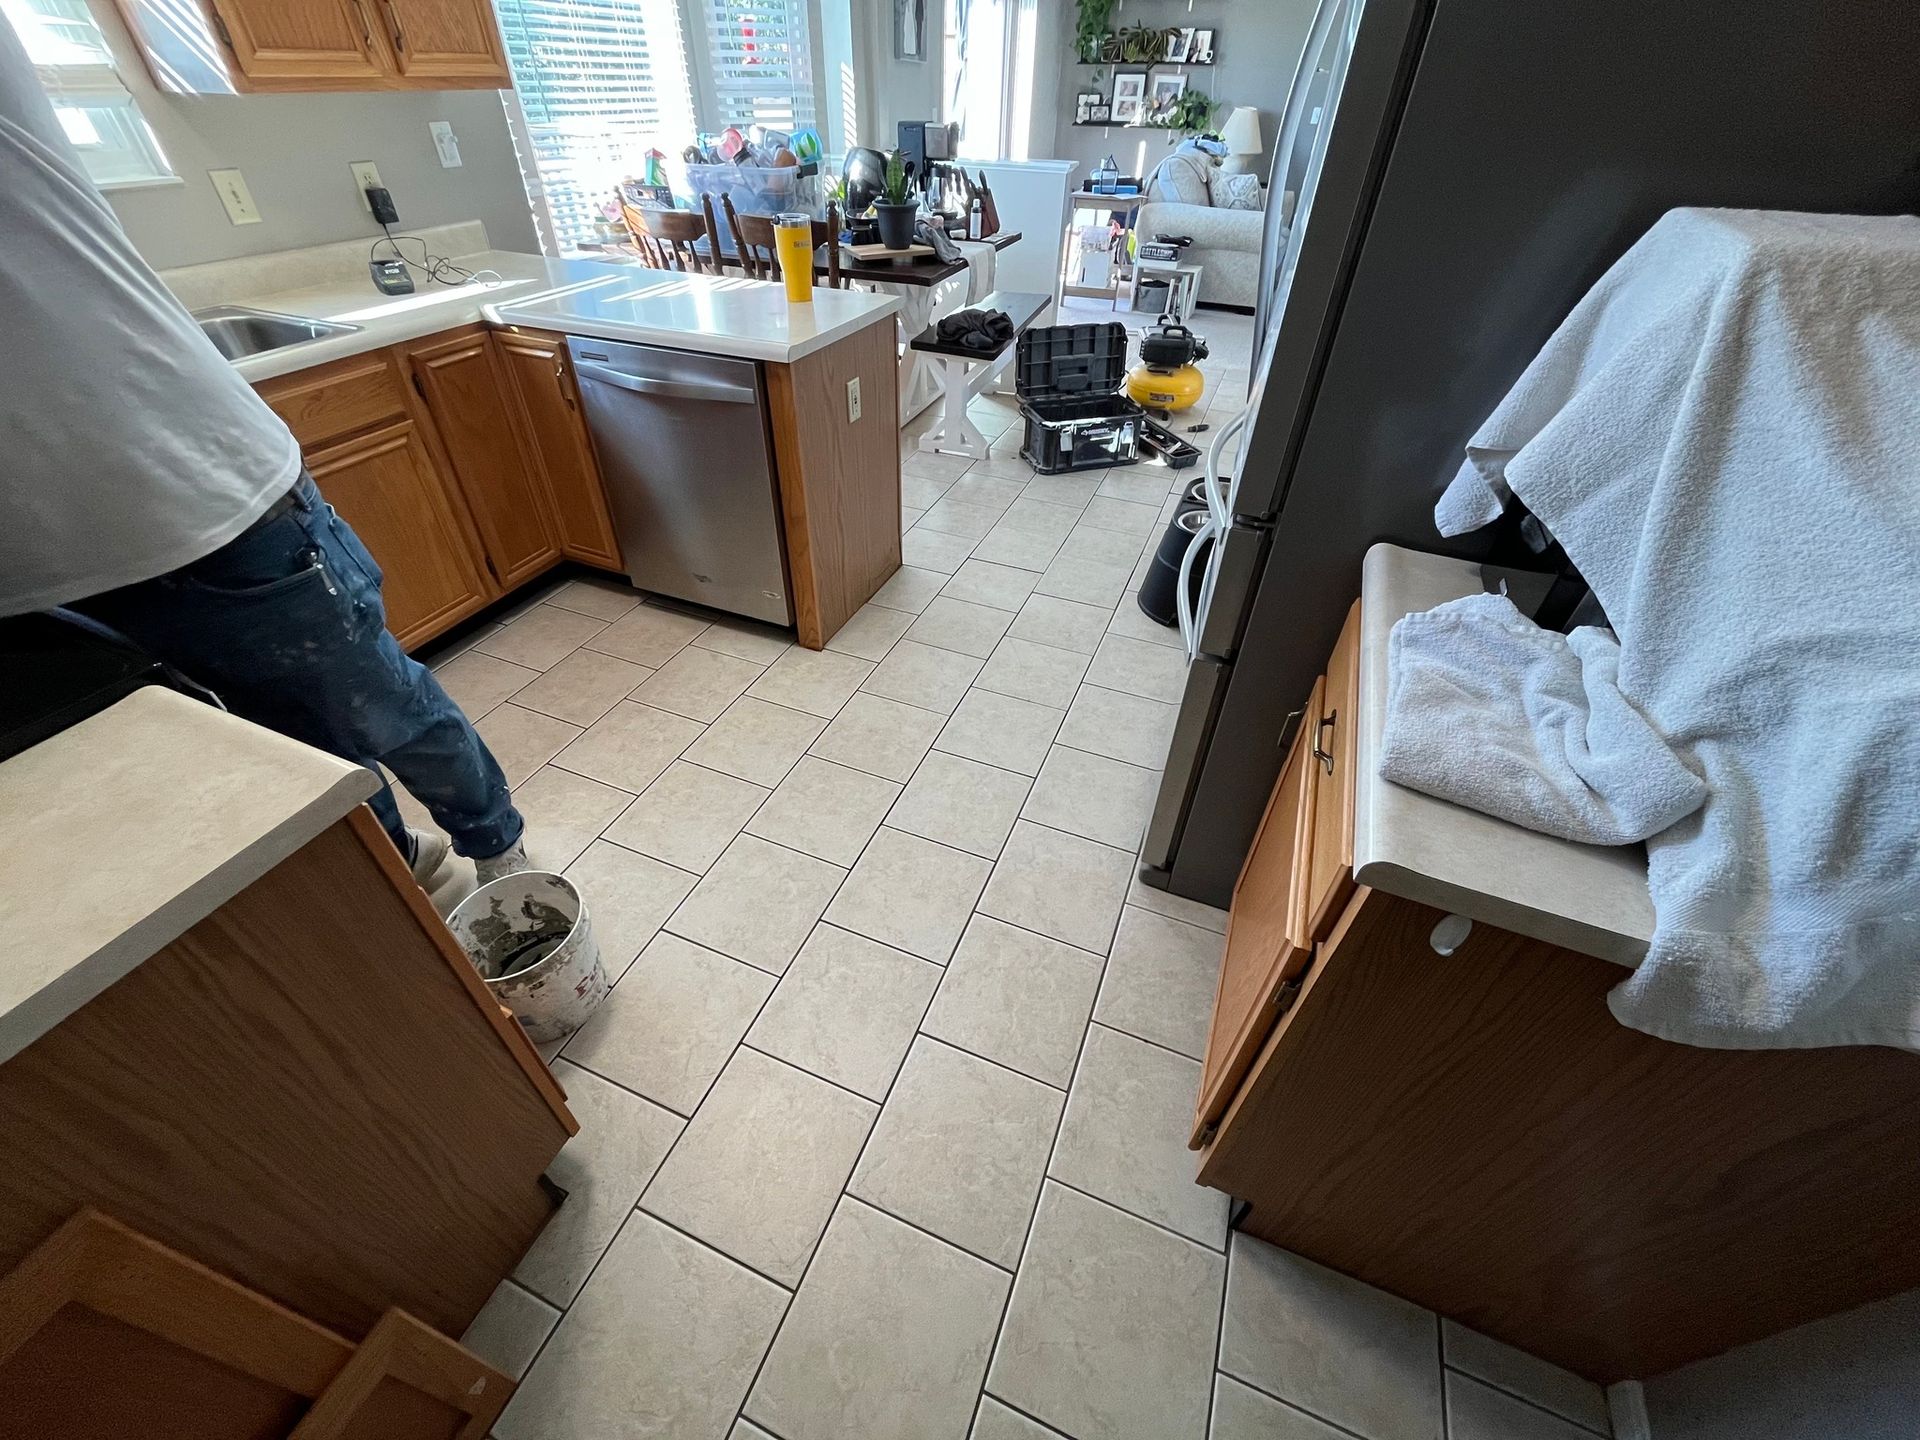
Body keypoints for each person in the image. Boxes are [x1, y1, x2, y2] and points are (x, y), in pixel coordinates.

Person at [0, 21, 526, 887]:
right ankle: (406, 873)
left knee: (385, 708)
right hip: (43, 593)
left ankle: (496, 845)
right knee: (290, 754)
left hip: (215, 510)